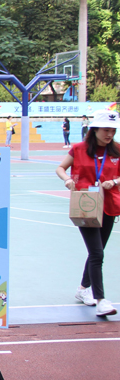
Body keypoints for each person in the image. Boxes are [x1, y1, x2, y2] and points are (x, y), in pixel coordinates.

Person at [55, 109, 120, 317]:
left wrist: (114, 182)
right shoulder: (79, 149)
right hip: (85, 206)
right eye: (106, 130)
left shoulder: (117, 149)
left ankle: (83, 289)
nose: (110, 134)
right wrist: (67, 180)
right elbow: (60, 168)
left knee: (96, 252)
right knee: (97, 253)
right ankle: (101, 300)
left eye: (113, 130)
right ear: (95, 129)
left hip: (109, 205)